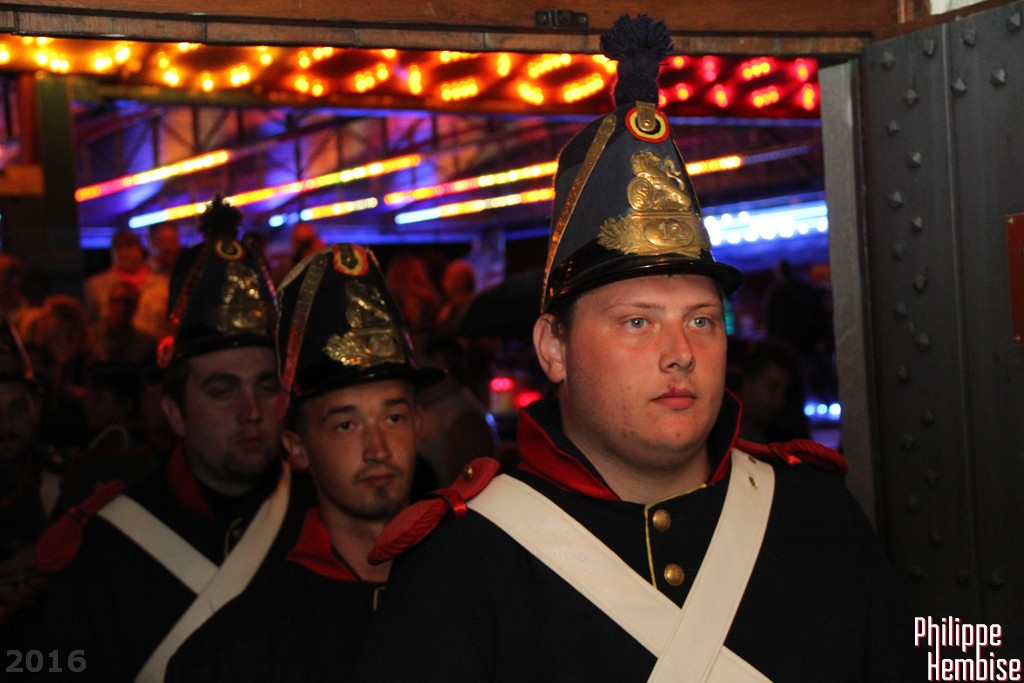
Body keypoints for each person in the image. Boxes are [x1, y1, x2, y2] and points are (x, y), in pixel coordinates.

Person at [356, 15, 913, 682]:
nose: (680, 352)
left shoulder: (816, 519)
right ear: (553, 347)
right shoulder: (460, 565)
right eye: (638, 322)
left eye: (701, 320)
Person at [11, 196, 315, 683]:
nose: (251, 412)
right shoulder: (109, 542)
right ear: (174, 413)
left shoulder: (323, 515)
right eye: (222, 391)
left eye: (265, 387)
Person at [165, 242, 444, 682]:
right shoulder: (246, 644)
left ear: (419, 422)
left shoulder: (475, 589)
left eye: (393, 417)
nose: (377, 448)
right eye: (345, 425)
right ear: (296, 448)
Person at [84, 229, 169, 340]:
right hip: (112, 348)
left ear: (141, 250)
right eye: (118, 247)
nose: (124, 252)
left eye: (129, 246)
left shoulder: (163, 285)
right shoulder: (95, 286)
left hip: (153, 348)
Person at [728, 336, 809, 443]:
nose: (780, 400)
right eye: (772, 388)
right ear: (744, 382)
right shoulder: (713, 435)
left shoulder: (781, 440)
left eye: (785, 392)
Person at [91, 280, 159, 365]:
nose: (122, 308)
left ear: (136, 306)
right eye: (117, 301)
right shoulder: (91, 337)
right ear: (109, 303)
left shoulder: (146, 344)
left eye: (128, 303)